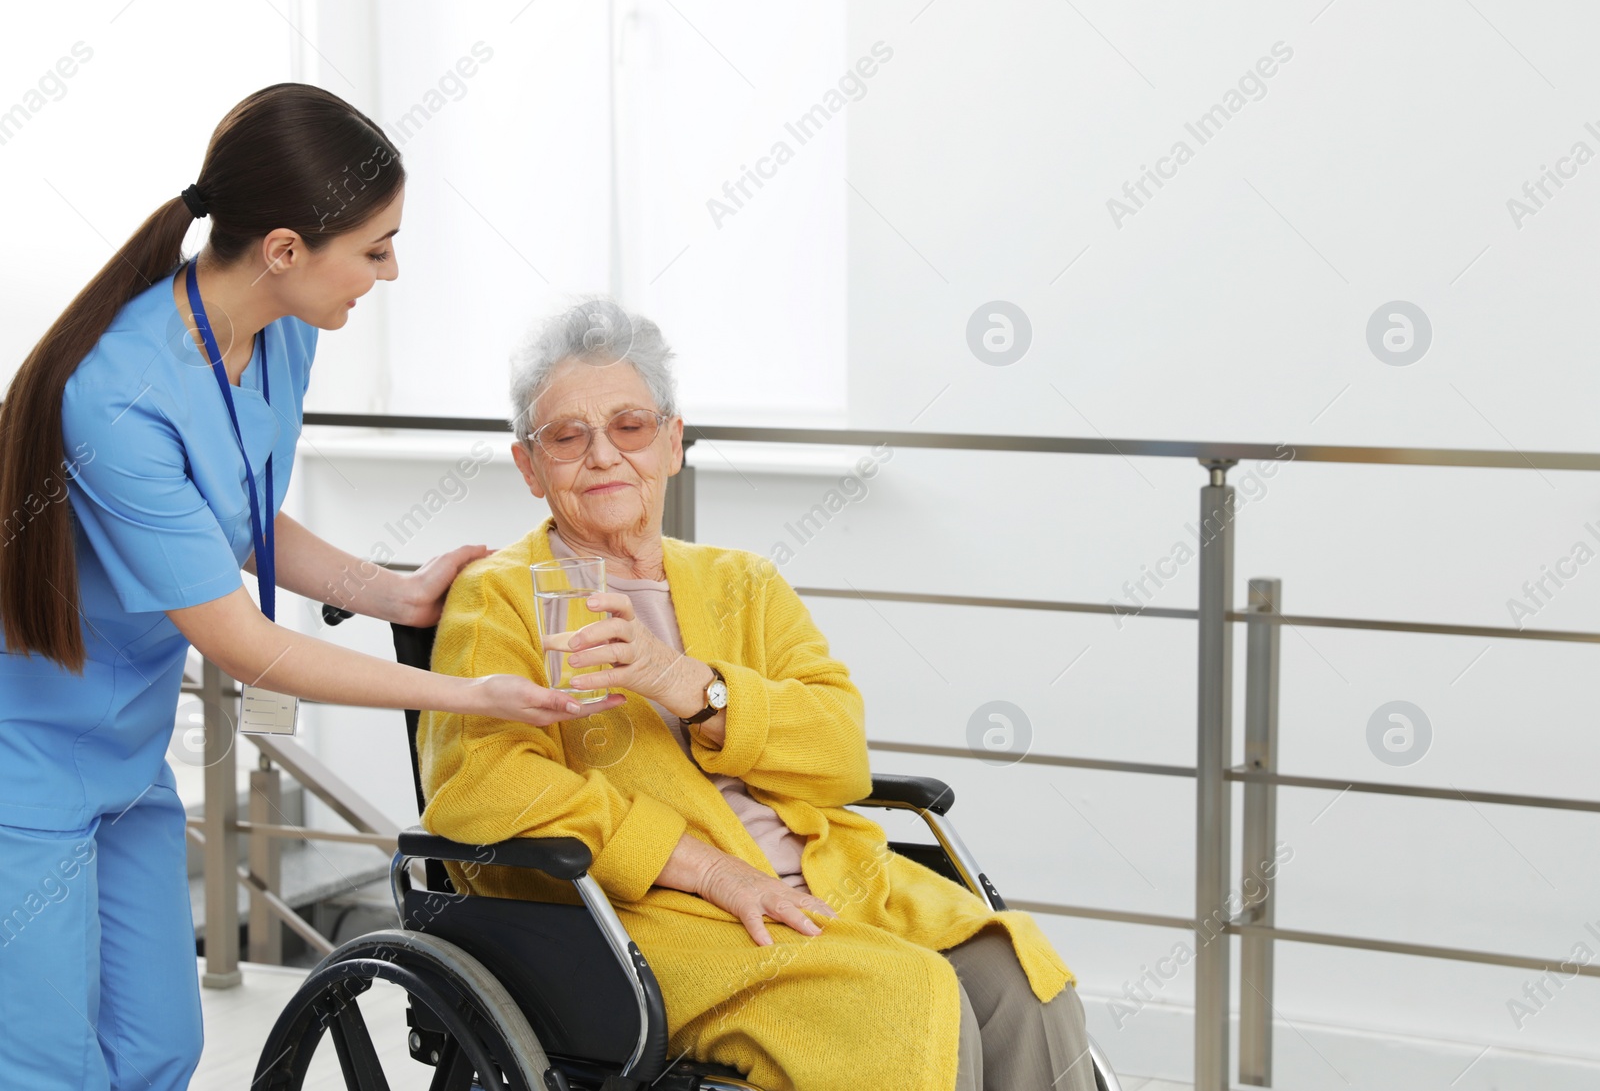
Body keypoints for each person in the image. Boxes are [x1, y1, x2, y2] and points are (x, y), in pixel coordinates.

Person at [0, 84, 611, 1091]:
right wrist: (472, 695)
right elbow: (243, 646)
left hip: (126, 750)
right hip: (25, 761)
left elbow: (234, 514)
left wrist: (396, 593)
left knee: (159, 1046)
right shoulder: (116, 393)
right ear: (285, 249)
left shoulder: (283, 331)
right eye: (374, 248)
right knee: (45, 1067)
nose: (391, 268)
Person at [417, 300, 1099, 1091]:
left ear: (672, 441)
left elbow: (840, 750)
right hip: (653, 921)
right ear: (530, 467)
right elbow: (483, 788)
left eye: (630, 426)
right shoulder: (498, 596)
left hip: (833, 881)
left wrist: (682, 682)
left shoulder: (743, 582)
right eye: (568, 437)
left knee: (1022, 984)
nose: (603, 454)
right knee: (905, 999)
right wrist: (707, 869)